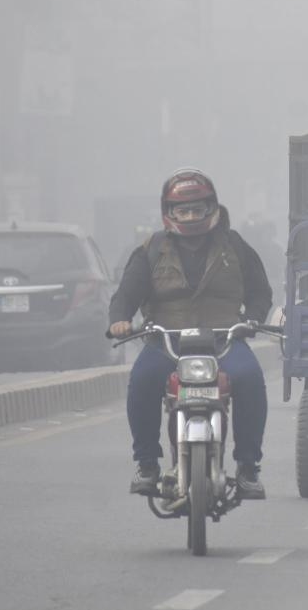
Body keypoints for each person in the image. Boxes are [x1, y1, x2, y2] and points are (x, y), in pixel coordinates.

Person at [109, 168, 273, 499]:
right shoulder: (151, 249)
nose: (191, 216)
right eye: (183, 210)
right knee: (141, 381)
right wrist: (120, 320)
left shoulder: (235, 245)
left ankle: (248, 467)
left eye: (197, 209)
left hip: (224, 341)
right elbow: (126, 294)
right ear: (169, 213)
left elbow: (260, 293)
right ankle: (147, 465)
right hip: (166, 343)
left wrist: (252, 319)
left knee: (251, 379)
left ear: (211, 208)